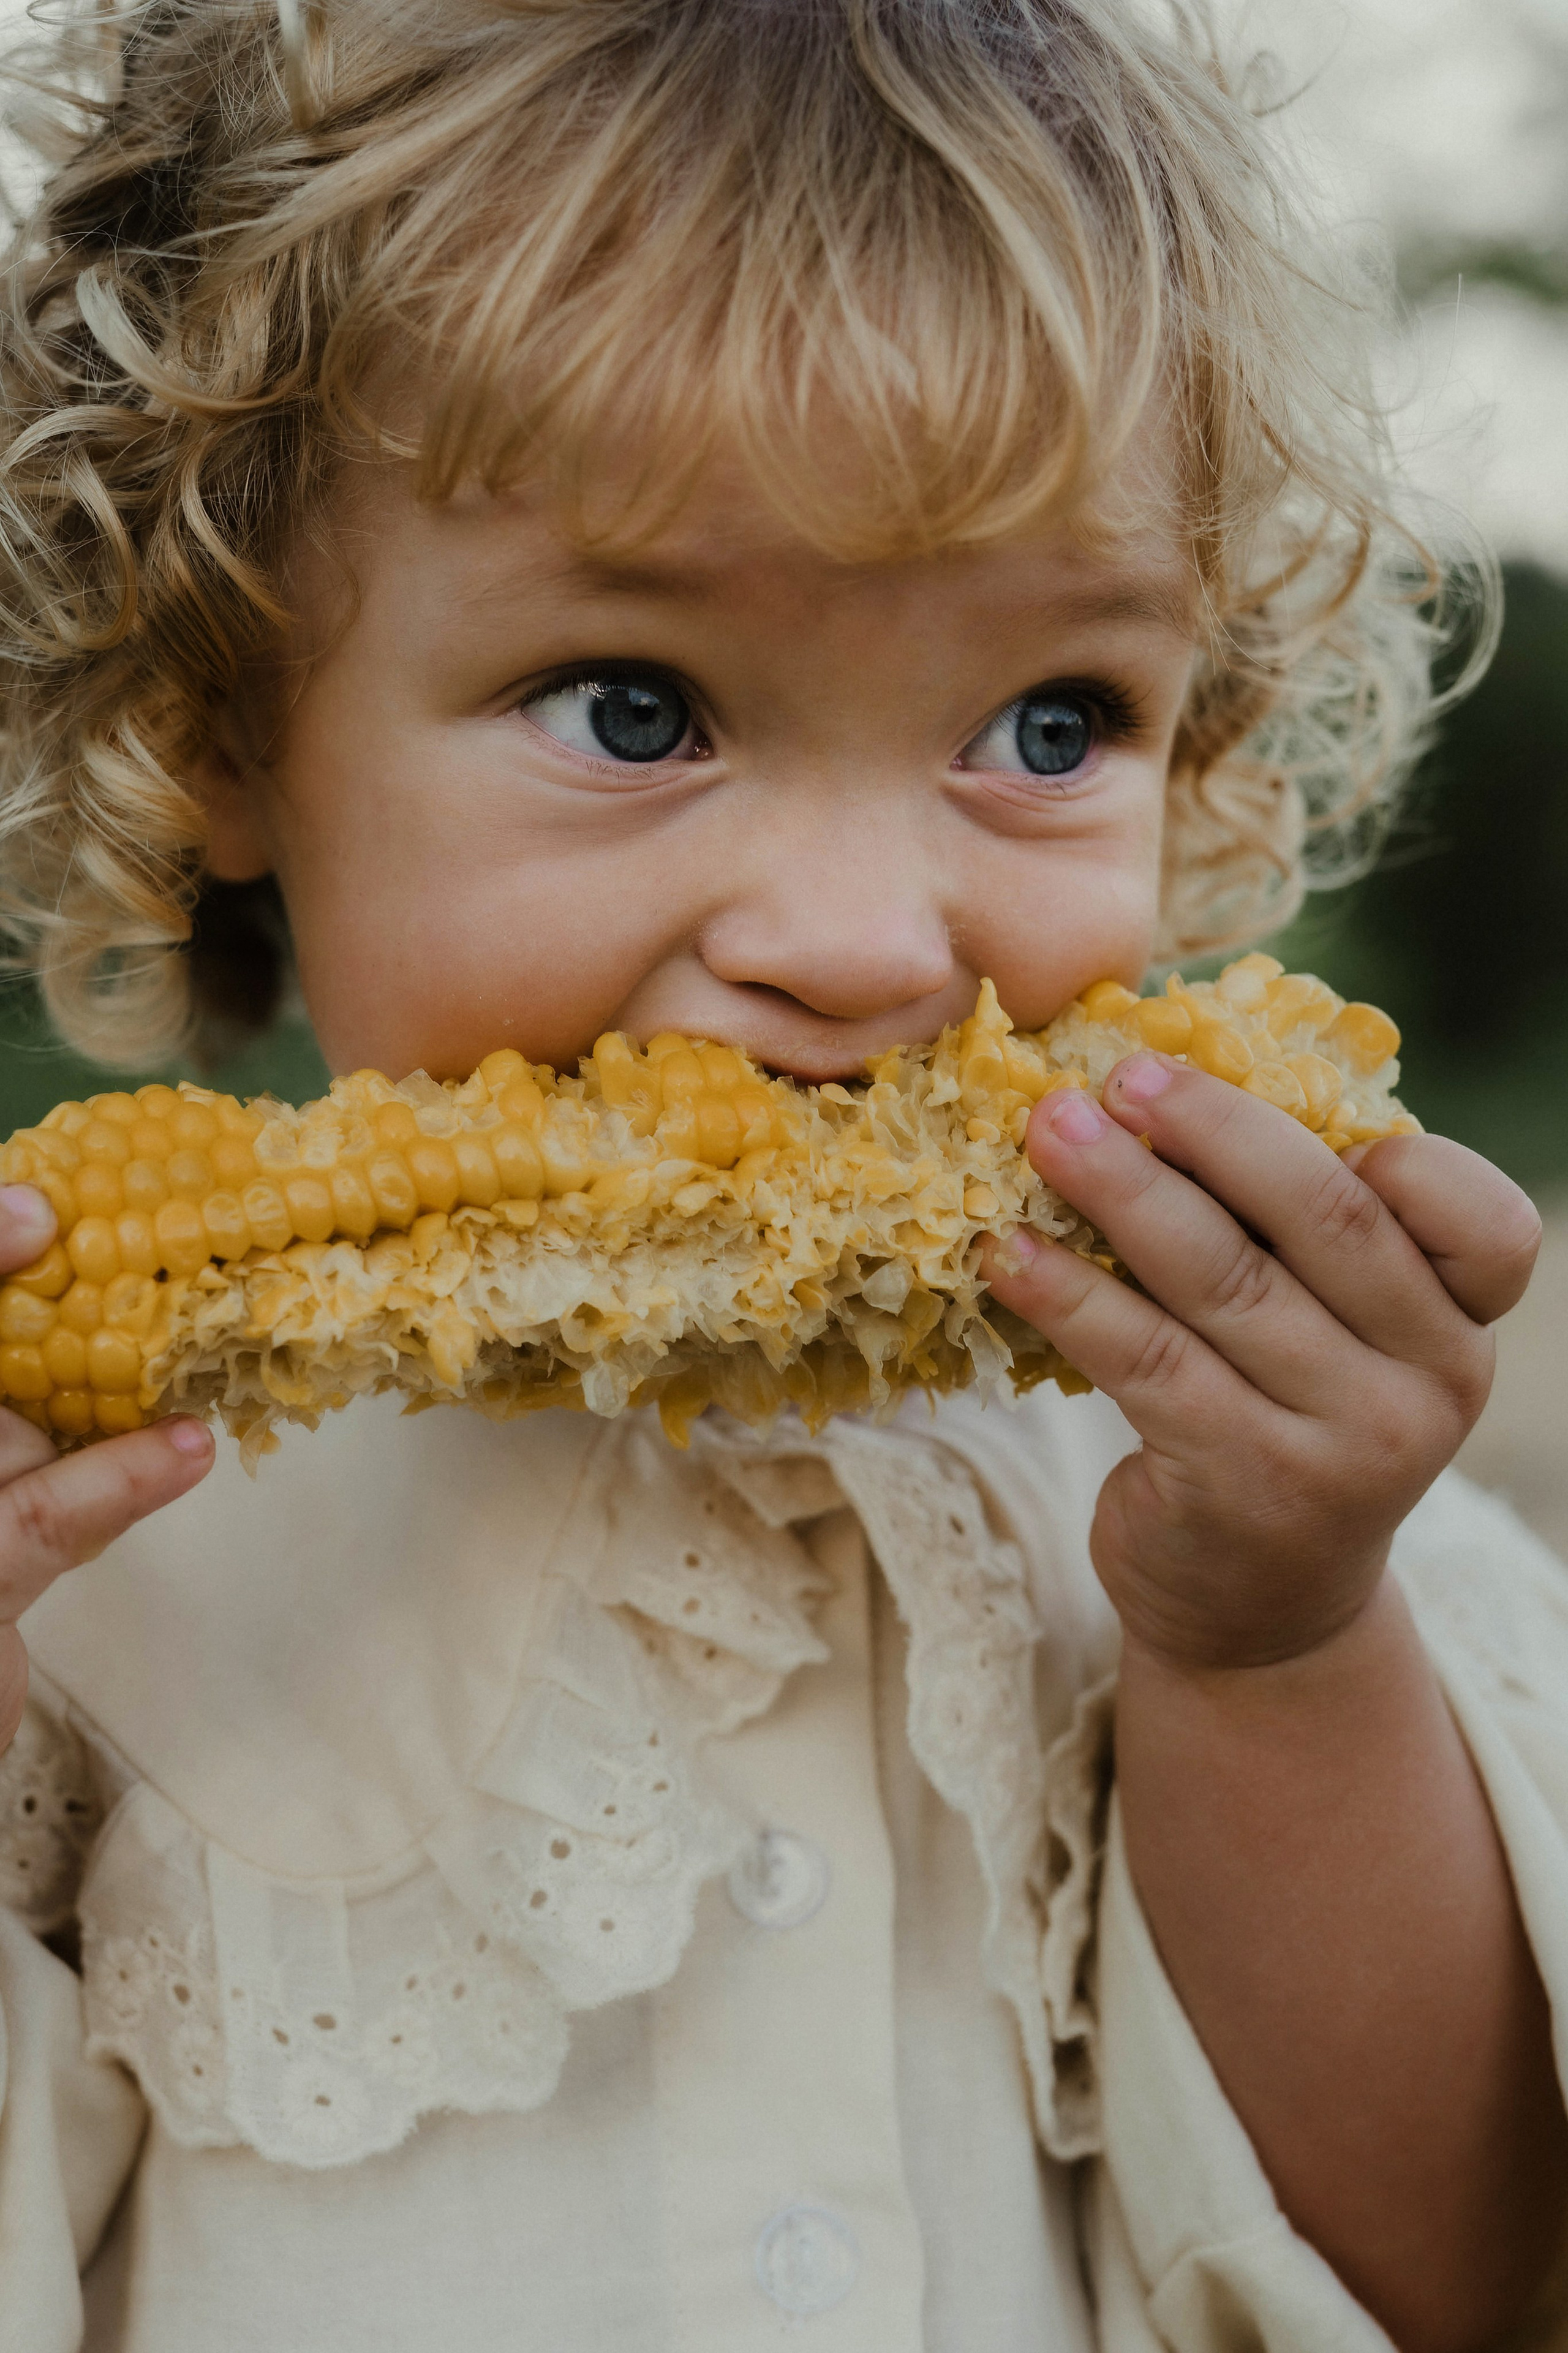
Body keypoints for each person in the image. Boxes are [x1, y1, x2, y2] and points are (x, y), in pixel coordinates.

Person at [0, 3, 1562, 2347]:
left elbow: (1453, 2276)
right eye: (637, 706)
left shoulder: (1258, 1513)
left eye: (1051, 726)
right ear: (218, 726)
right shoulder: (89, 1571)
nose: (860, 947)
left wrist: (1289, 1650)